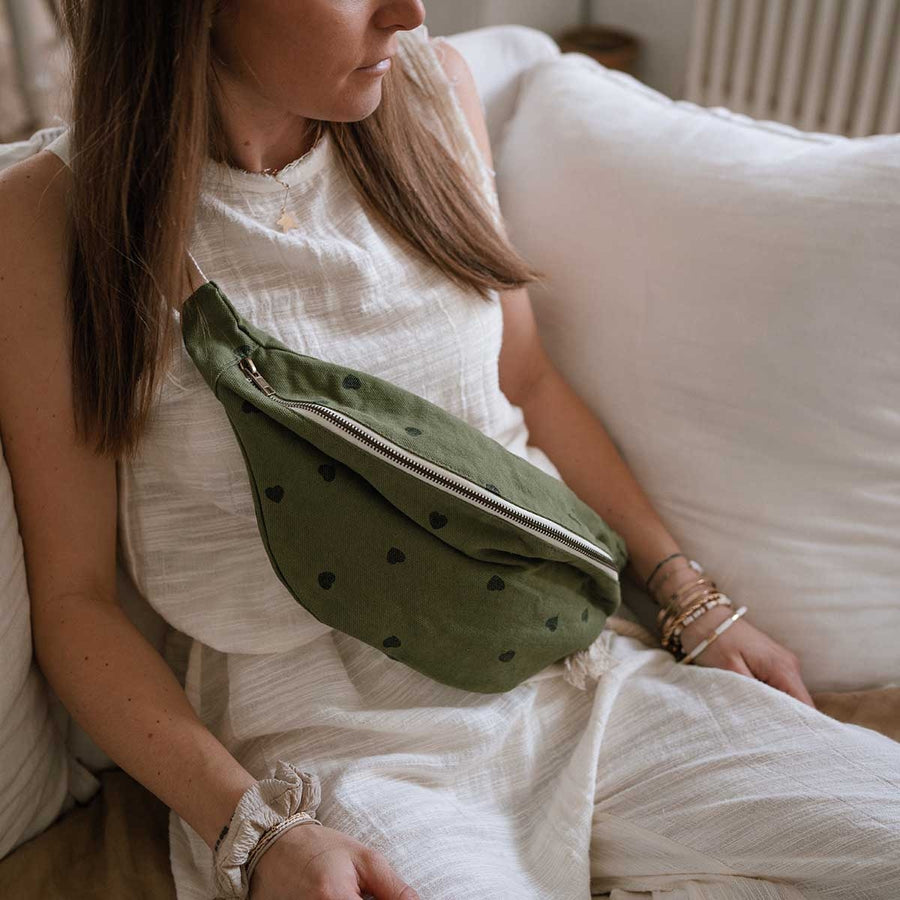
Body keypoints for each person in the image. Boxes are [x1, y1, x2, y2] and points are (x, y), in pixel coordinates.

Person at [0, 2, 897, 898]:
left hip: (570, 659)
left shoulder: (431, 99)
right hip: (335, 752)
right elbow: (77, 601)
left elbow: (528, 383)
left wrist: (690, 596)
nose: (411, 12)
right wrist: (257, 832)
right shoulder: (55, 219)